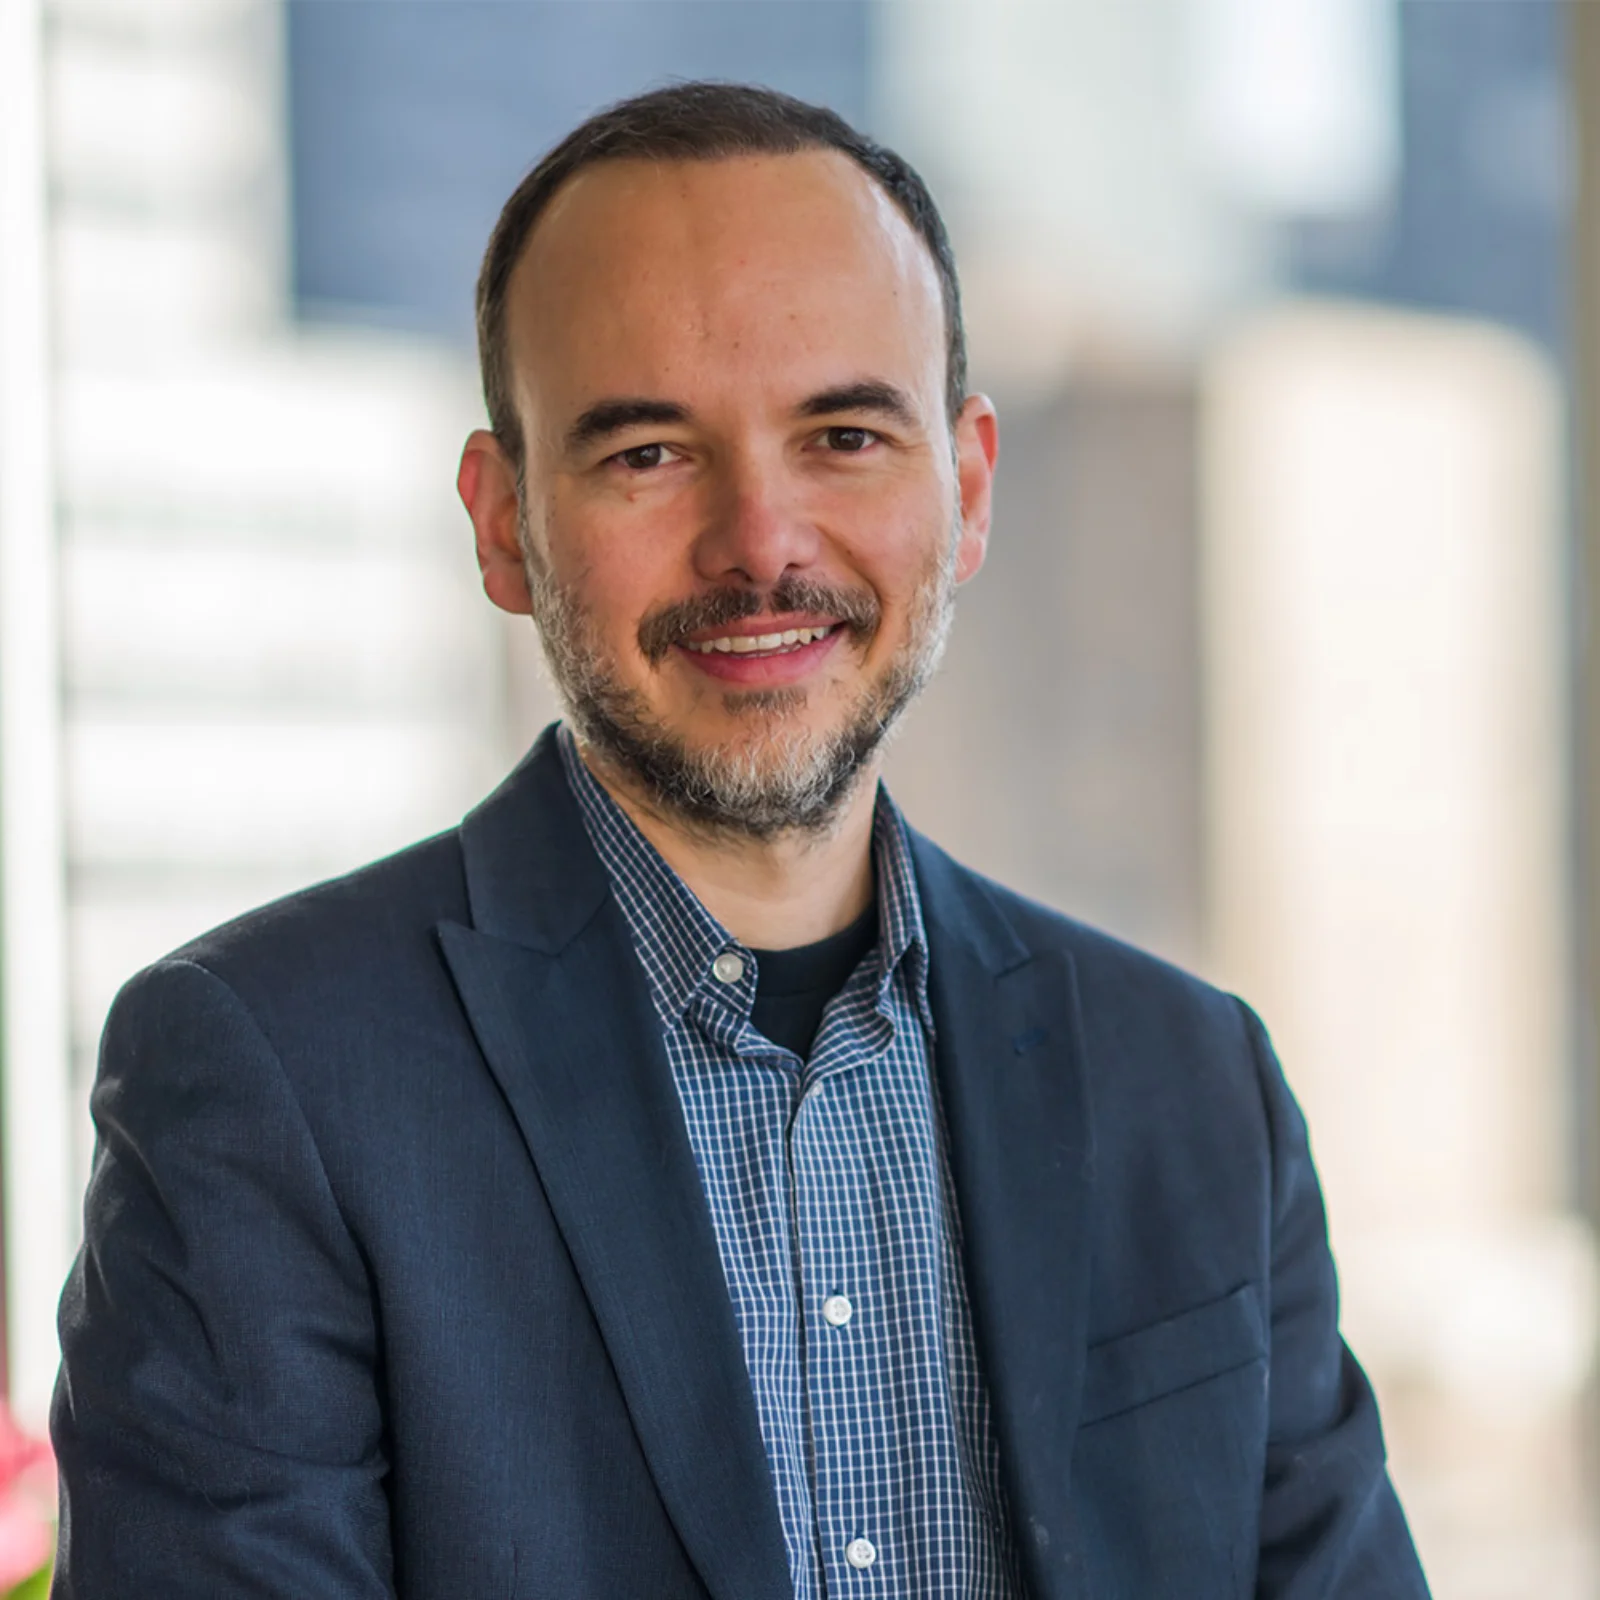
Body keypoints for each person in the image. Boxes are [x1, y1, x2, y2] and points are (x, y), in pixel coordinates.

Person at [50, 83, 1429, 1599]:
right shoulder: (271, 1080)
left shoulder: (1191, 1087)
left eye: (842, 434)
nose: (761, 540)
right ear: (505, 523)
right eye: (648, 453)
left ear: (964, 490)